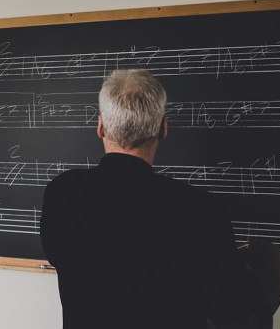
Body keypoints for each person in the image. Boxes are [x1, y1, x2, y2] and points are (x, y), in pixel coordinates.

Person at [40, 69, 265, 328]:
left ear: (100, 126)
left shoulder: (62, 193)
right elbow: (239, 313)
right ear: (162, 129)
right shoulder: (200, 209)